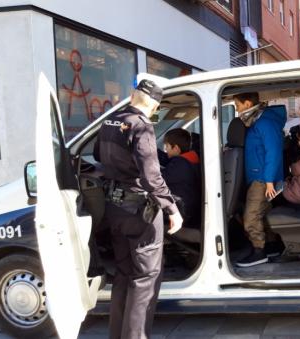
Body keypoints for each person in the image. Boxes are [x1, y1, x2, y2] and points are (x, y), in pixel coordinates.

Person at [94, 79, 182, 339]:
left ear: (132, 96)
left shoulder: (109, 121)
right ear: (154, 106)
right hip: (139, 211)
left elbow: (99, 155)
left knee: (124, 274)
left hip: (114, 208)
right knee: (145, 279)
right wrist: (171, 209)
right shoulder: (141, 126)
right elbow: (151, 176)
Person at [235, 92, 286, 267]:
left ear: (247, 103)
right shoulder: (259, 121)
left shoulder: (265, 123)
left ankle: (259, 251)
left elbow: (273, 151)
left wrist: (269, 180)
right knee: (262, 214)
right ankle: (271, 247)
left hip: (263, 179)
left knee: (251, 216)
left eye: (238, 106)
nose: (237, 110)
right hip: (260, 177)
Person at [159, 128, 201, 229]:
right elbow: (167, 159)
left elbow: (157, 179)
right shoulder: (190, 159)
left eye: (167, 147)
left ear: (176, 148)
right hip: (189, 209)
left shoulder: (180, 165)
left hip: (182, 211)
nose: (166, 150)